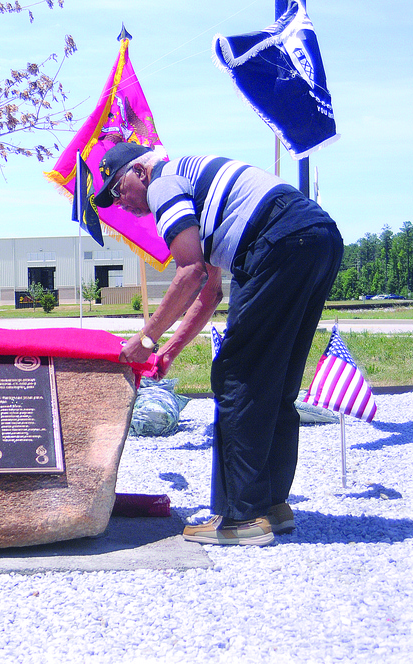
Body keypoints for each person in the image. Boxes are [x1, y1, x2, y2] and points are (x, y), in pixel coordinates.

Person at [96, 142, 343, 546]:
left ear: (139, 171)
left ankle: (242, 519)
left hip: (276, 241)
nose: (120, 202)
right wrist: (169, 351)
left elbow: (189, 272)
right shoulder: (197, 191)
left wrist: (145, 339)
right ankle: (272, 507)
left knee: (235, 377)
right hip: (316, 238)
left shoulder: (163, 182)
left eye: (118, 188)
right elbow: (209, 292)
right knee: (275, 381)